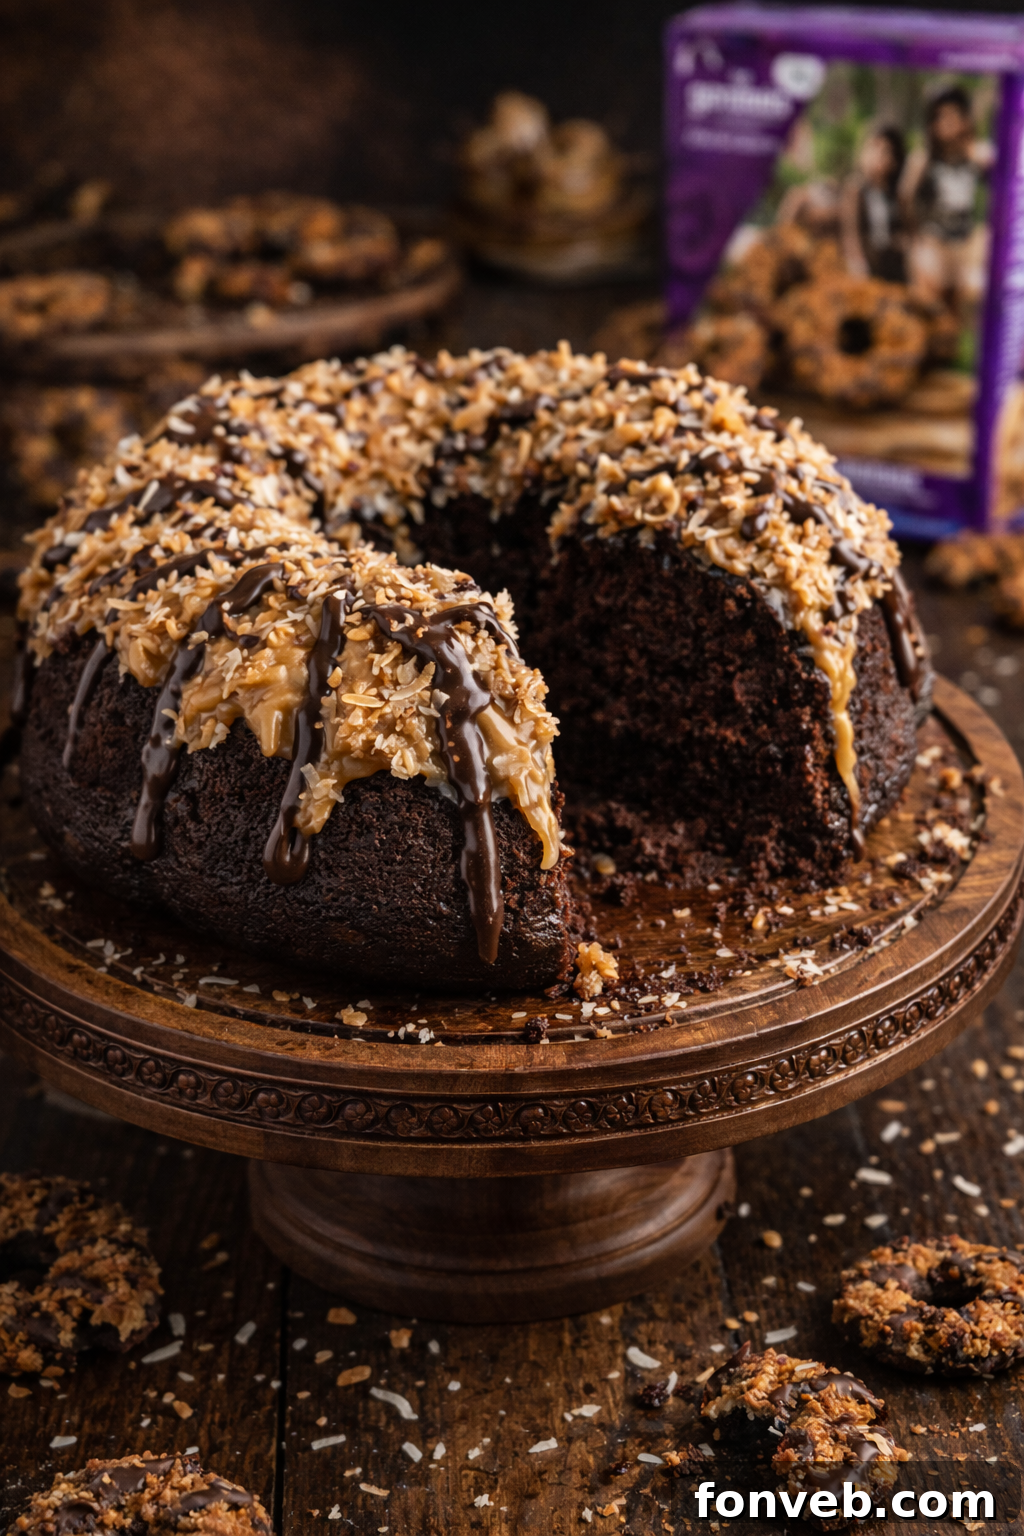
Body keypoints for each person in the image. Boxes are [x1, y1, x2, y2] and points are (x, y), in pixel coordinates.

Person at [901, 84, 994, 317]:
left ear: (965, 120)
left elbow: (1004, 180)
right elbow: (905, 198)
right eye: (939, 117)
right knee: (931, 310)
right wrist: (915, 239)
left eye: (952, 116)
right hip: (933, 243)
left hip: (963, 242)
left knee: (957, 310)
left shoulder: (976, 155)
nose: (946, 123)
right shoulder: (923, 160)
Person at [840, 125, 907, 282]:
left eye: (885, 151)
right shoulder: (856, 189)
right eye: (872, 148)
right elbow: (851, 232)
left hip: (891, 266)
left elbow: (903, 229)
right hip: (864, 265)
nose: (877, 155)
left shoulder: (895, 195)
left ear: (895, 161)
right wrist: (857, 262)